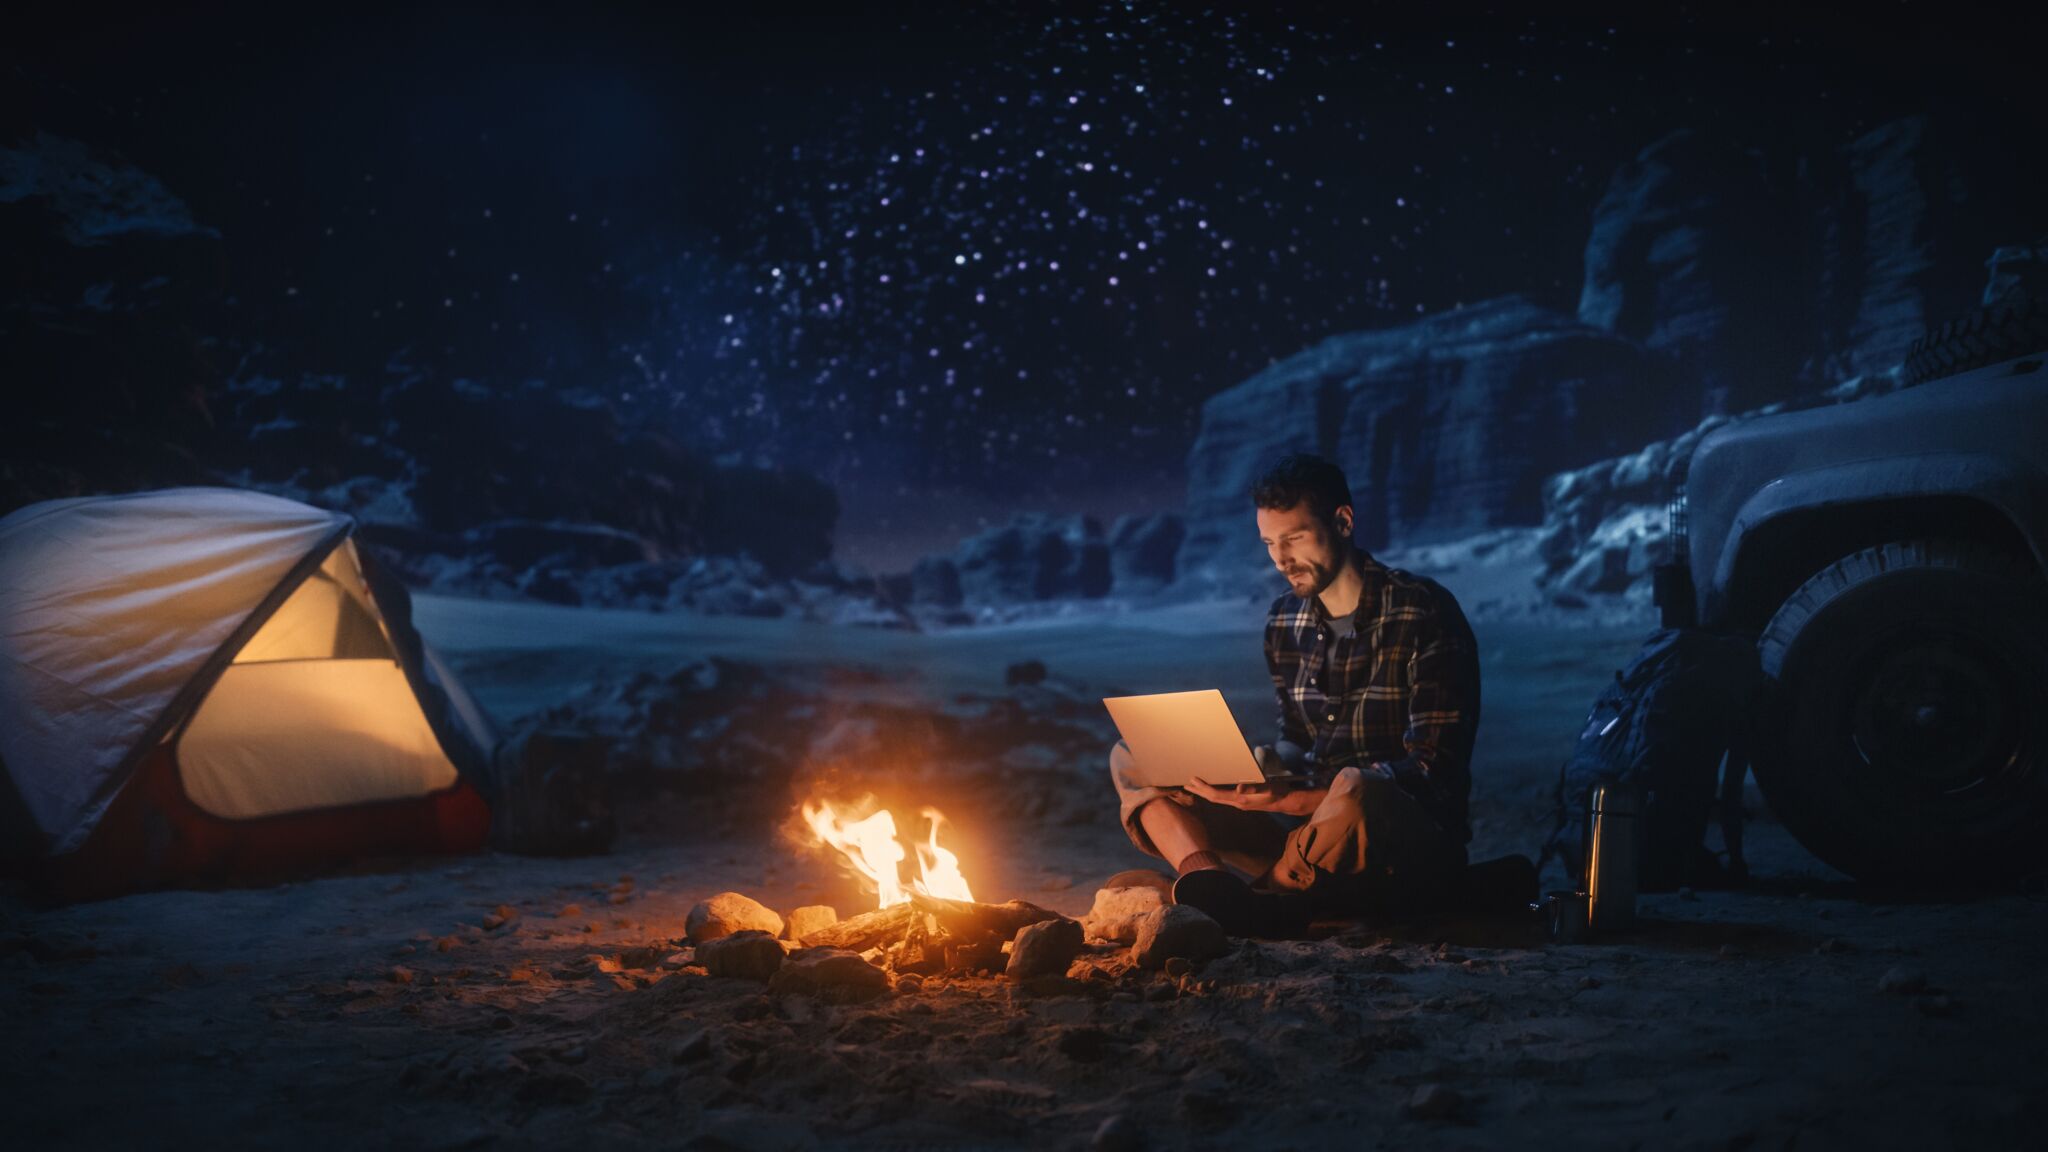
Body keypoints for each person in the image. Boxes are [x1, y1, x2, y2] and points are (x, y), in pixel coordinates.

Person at [1107, 452, 1481, 936]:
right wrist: (1253, 771)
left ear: (1343, 521)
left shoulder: (1422, 610)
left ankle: (1261, 897)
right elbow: (1298, 739)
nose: (1281, 559)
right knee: (1136, 749)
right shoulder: (1286, 618)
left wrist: (1292, 798)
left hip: (1394, 839)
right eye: (1269, 543)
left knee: (1358, 788)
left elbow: (1433, 773)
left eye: (1295, 538)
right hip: (1301, 832)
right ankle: (1208, 879)